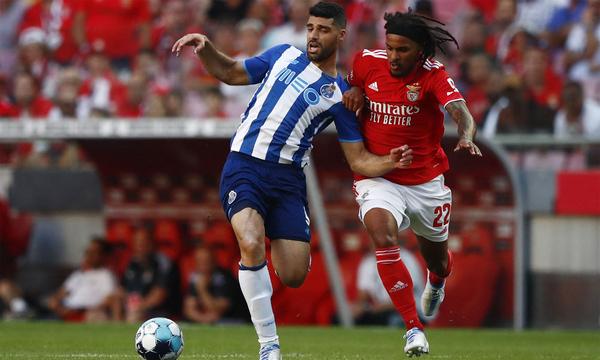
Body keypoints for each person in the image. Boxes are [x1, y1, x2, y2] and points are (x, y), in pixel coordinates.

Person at [171, 2, 413, 359]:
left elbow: (357, 159)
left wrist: (388, 161)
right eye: (311, 28)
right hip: (245, 166)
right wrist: (206, 48)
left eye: (323, 30)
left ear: (340, 35)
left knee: (294, 273)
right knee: (251, 242)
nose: (314, 35)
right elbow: (233, 73)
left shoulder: (339, 94)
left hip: (287, 183)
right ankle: (269, 346)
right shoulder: (282, 55)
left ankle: (260, 269)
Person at [343, 10, 482, 357]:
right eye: (390, 47)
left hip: (425, 183)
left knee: (437, 261)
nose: (393, 56)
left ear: (420, 50)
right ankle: (413, 329)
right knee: (381, 232)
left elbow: (460, 110)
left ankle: (437, 283)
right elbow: (349, 83)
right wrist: (355, 89)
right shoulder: (365, 62)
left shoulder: (434, 75)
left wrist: (465, 134)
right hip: (379, 174)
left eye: (402, 50)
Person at [46, 237, 116, 322]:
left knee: (97, 316)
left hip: (88, 313)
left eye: (93, 252)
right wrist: (57, 303)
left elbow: (109, 299)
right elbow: (62, 293)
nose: (89, 255)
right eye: (87, 252)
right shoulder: (78, 275)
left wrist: (87, 310)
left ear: (102, 255)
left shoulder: (106, 275)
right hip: (66, 312)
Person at [183, 245, 248, 324]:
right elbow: (189, 310)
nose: (203, 265)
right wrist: (203, 319)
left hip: (233, 320)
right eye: (199, 261)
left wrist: (202, 290)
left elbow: (219, 310)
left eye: (206, 261)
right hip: (207, 320)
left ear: (213, 261)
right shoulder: (196, 277)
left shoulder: (225, 278)